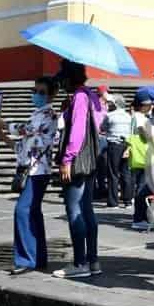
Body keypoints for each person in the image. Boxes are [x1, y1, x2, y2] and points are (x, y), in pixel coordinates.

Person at [0, 76, 59, 275]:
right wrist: (4, 137)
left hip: (38, 170)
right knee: (32, 212)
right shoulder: (37, 113)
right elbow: (23, 146)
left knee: (22, 211)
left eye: (41, 92)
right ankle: (38, 257)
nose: (36, 95)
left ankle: (26, 259)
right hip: (32, 169)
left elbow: (28, 130)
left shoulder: (48, 114)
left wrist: (4, 124)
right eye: (35, 91)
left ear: (51, 95)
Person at [53, 61, 105, 280]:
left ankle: (80, 262)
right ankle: (93, 261)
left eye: (62, 79)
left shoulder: (80, 97)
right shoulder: (90, 95)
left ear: (69, 78)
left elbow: (77, 132)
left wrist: (67, 159)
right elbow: (100, 120)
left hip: (77, 160)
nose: (61, 83)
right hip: (90, 159)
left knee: (74, 210)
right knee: (87, 211)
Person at [102, 94, 133, 208]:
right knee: (126, 173)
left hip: (114, 145)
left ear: (115, 104)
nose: (109, 104)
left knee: (113, 174)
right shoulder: (129, 117)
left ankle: (113, 202)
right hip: (127, 145)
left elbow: (102, 128)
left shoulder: (110, 115)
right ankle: (127, 201)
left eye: (111, 103)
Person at [126, 120, 151, 231]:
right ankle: (139, 219)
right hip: (147, 165)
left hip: (138, 164)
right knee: (142, 192)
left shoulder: (133, 138)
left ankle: (141, 218)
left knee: (140, 191)